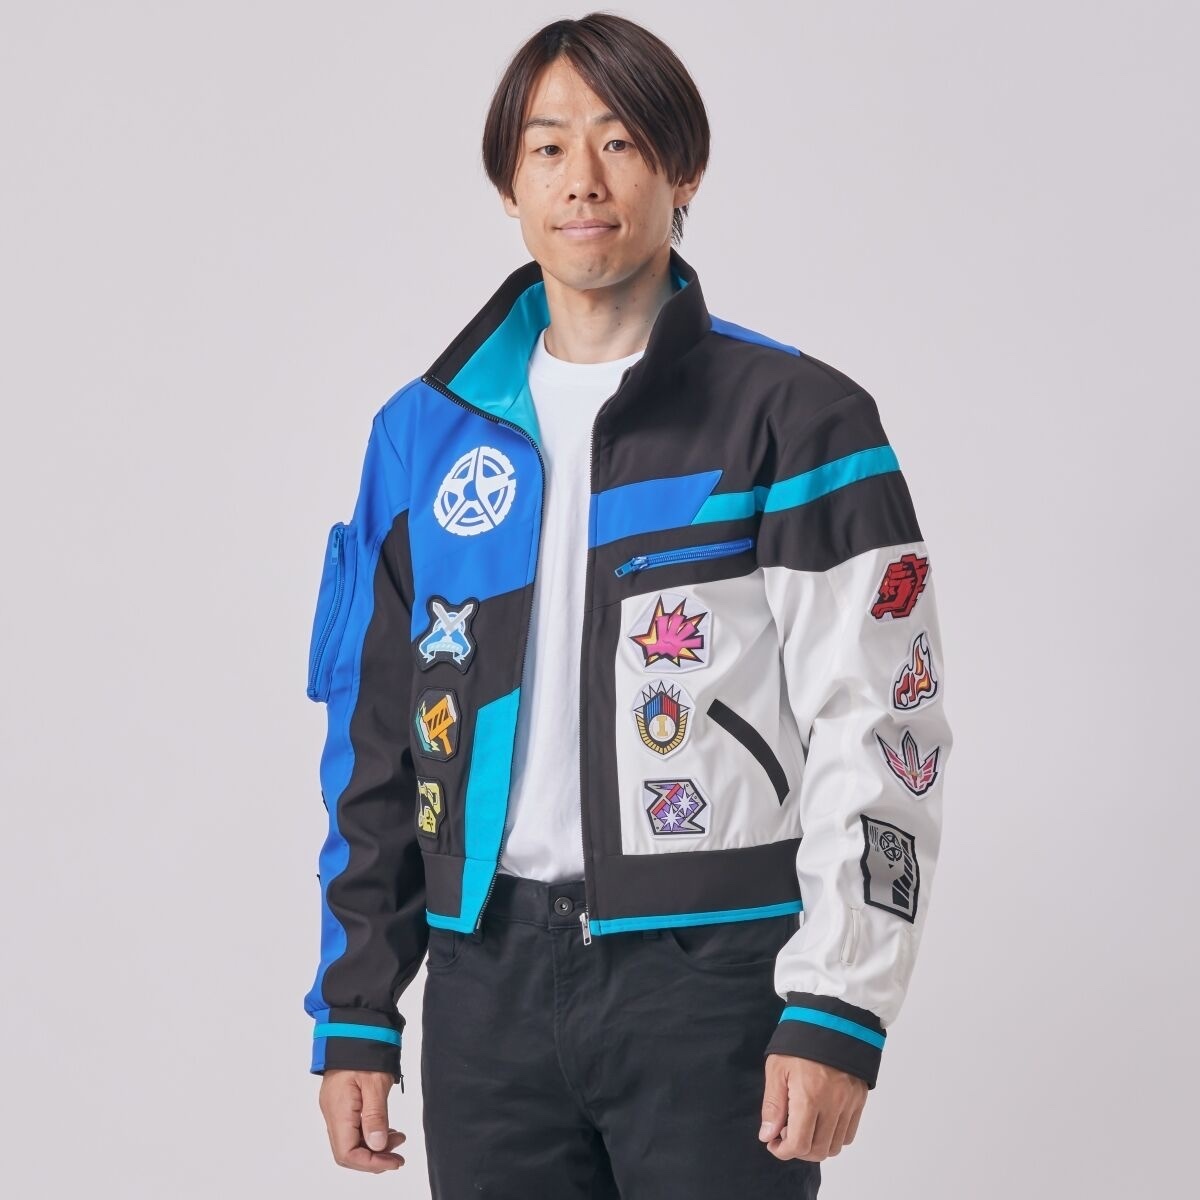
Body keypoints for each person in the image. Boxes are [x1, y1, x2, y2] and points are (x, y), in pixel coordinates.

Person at [301, 13, 952, 1198]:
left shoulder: (798, 421)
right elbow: (379, 733)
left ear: (682, 170)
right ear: (509, 183)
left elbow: (885, 722)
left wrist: (838, 1002)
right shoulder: (422, 437)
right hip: (483, 985)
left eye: (620, 142)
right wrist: (357, 1005)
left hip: (713, 983)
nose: (583, 180)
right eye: (548, 147)